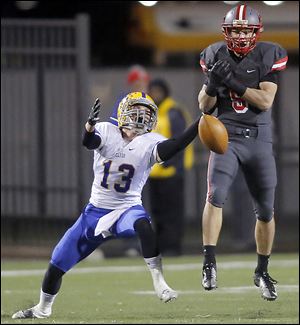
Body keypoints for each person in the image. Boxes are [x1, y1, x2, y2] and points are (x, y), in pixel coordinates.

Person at [12, 92, 200, 319]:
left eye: (145, 114)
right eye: (136, 112)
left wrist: (202, 120)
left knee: (143, 224)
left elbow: (176, 145)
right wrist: (89, 127)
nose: (140, 119)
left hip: (126, 209)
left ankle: (160, 282)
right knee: (56, 264)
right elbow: (89, 142)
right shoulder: (105, 131)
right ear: (121, 113)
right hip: (94, 214)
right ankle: (42, 308)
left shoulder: (151, 141)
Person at [198, 4, 287, 301]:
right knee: (216, 195)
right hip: (227, 138)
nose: (238, 35)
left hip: (259, 139)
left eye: (244, 30)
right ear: (226, 31)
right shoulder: (213, 54)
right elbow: (203, 106)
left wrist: (234, 82)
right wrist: (212, 84)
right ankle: (209, 262)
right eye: (234, 29)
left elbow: (264, 101)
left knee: (264, 210)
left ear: (255, 32)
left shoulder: (268, 54)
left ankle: (262, 270)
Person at [147, 78, 194, 256]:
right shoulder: (152, 112)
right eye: (153, 90)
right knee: (157, 213)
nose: (155, 94)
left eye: (158, 90)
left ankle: (173, 247)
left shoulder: (174, 112)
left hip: (171, 172)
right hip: (154, 173)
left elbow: (179, 142)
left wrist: (169, 163)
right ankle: (160, 247)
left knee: (172, 213)